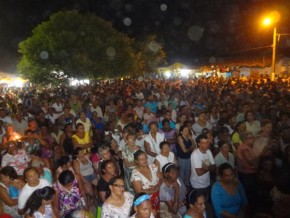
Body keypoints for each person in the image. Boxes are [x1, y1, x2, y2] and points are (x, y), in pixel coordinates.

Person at [131, 150, 162, 217]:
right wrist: (154, 190)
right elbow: (139, 191)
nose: (144, 160)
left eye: (145, 158)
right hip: (145, 201)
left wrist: (158, 185)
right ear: (136, 161)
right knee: (148, 214)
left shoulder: (153, 166)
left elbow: (161, 178)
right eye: (141, 159)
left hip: (157, 196)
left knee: (157, 212)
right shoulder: (135, 174)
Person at [190, 134, 215, 200]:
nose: (206, 145)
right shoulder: (195, 154)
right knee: (198, 203)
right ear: (199, 144)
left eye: (207, 142)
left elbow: (214, 166)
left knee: (205, 201)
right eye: (203, 143)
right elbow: (199, 173)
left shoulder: (208, 151)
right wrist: (209, 168)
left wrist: (206, 168)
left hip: (207, 182)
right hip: (197, 184)